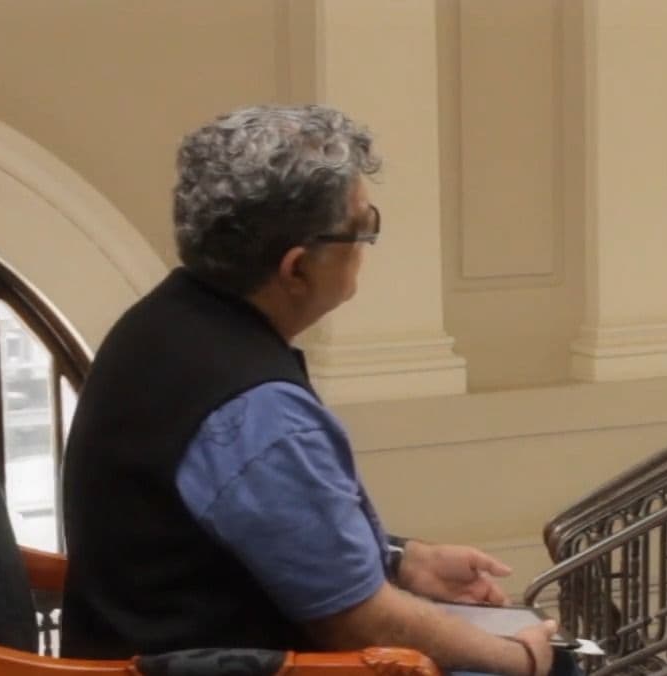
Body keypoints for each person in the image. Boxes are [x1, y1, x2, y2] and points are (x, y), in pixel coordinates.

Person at [59, 104, 566, 676]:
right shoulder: (259, 412)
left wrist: (405, 560)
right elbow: (357, 623)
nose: (365, 245)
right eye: (362, 230)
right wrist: (519, 657)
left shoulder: (156, 326)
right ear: (296, 268)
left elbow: (270, 536)